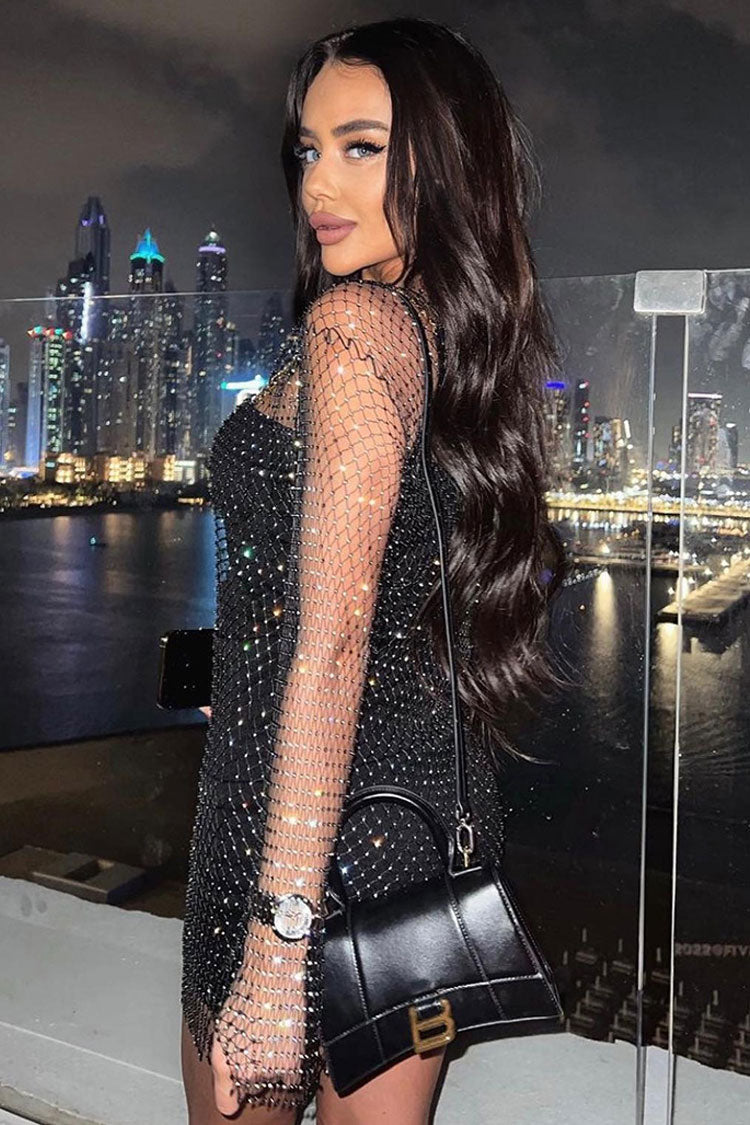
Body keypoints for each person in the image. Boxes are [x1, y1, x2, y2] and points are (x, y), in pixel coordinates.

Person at [180, 16, 567, 1125]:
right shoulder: (449, 335)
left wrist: (277, 945)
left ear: (443, 159)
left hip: (293, 830)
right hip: (412, 822)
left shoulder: (352, 327)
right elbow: (389, 595)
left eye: (362, 146)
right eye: (308, 149)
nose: (319, 182)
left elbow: (336, 638)